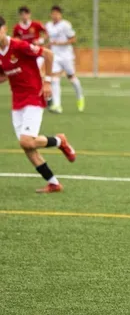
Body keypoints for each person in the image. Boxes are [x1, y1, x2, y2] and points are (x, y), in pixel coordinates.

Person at [0, 15, 75, 193]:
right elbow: (3, 75)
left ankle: (59, 141)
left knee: (27, 141)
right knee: (27, 146)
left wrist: (47, 81)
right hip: (17, 100)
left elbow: (48, 54)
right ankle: (54, 183)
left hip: (34, 95)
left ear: (5, 29)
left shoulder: (19, 45)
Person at [45, 5, 85, 113]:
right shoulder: (48, 25)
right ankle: (57, 105)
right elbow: (48, 38)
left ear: (60, 15)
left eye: (57, 13)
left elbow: (73, 39)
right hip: (55, 56)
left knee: (71, 78)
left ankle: (80, 97)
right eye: (53, 13)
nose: (55, 15)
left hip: (66, 56)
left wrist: (59, 43)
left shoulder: (65, 25)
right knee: (54, 79)